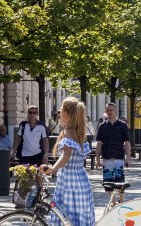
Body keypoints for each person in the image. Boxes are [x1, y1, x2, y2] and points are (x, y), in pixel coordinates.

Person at [40, 97, 95, 226]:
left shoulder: (67, 132)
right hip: (81, 179)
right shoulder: (80, 132)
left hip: (68, 180)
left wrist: (52, 169)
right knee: (79, 216)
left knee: (65, 216)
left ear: (66, 113)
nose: (59, 113)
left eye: (60, 110)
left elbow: (66, 156)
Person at [96, 102, 131, 196]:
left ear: (116, 111)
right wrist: (97, 159)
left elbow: (127, 142)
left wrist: (128, 157)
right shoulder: (102, 126)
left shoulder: (123, 125)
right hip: (106, 159)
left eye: (111, 110)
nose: (109, 112)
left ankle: (121, 201)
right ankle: (112, 203)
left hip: (118, 159)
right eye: (107, 110)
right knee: (108, 184)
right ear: (105, 112)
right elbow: (99, 143)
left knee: (120, 184)